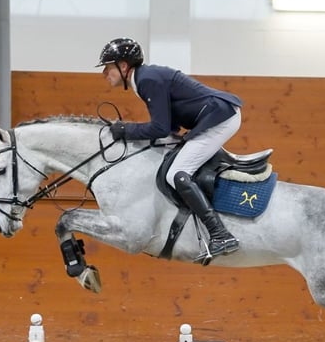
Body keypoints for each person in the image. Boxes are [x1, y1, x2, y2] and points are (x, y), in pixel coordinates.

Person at [97, 37, 242, 259]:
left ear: (123, 66)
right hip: (214, 116)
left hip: (220, 118)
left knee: (177, 173)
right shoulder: (143, 79)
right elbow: (170, 125)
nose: (104, 74)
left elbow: (160, 127)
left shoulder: (147, 80)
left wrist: (125, 130)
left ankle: (220, 233)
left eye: (108, 67)